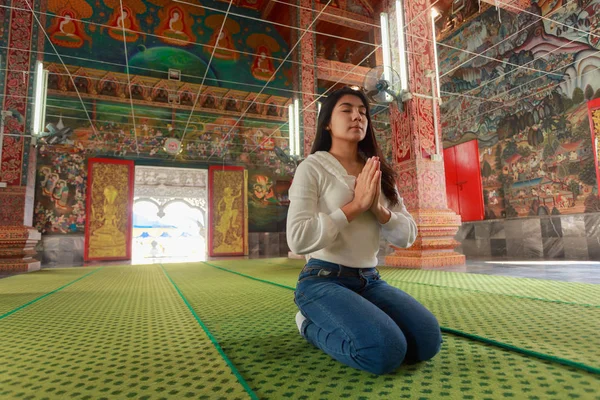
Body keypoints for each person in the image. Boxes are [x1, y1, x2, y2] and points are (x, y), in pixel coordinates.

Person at [287, 87, 442, 375]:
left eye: (362, 112)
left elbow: (407, 236)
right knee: (384, 352)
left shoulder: (377, 171)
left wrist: (378, 209)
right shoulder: (312, 167)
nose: (357, 116)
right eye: (346, 110)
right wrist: (355, 207)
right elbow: (298, 238)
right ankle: (307, 325)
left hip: (370, 280)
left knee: (427, 342)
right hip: (322, 279)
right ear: (327, 123)